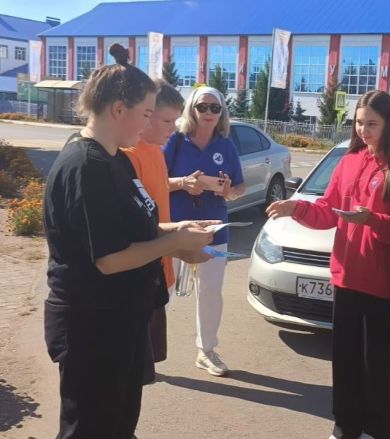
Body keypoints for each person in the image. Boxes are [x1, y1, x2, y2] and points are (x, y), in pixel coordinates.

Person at [43, 44, 215, 438]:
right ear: (118, 109)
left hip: (119, 320)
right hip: (92, 324)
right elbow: (109, 258)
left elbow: (139, 227)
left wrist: (182, 231)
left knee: (118, 424)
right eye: (147, 114)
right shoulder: (86, 166)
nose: (150, 124)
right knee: (90, 427)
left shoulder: (116, 157)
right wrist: (173, 244)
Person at [267, 90, 390, 439]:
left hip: (379, 282)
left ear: (388, 124)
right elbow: (327, 212)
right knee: (346, 360)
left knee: (376, 365)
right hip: (345, 277)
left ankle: (380, 428)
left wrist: (371, 220)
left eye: (372, 124)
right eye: (359, 122)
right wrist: (296, 208)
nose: (364, 130)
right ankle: (346, 424)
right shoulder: (349, 161)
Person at [164, 86, 246, 377]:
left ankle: (206, 350)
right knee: (164, 290)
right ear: (192, 109)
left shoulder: (226, 146)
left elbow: (239, 187)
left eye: (215, 108)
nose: (209, 113)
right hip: (175, 230)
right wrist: (182, 183)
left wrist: (228, 191)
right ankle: (146, 348)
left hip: (214, 231)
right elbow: (156, 180)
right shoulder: (175, 140)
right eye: (203, 107)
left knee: (210, 292)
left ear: (222, 112)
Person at [121, 79, 186, 363]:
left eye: (176, 121)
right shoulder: (128, 157)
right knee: (136, 357)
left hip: (161, 265)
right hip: (143, 270)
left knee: (150, 353)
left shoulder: (156, 150)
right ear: (145, 115)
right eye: (166, 120)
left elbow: (157, 189)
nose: (173, 128)